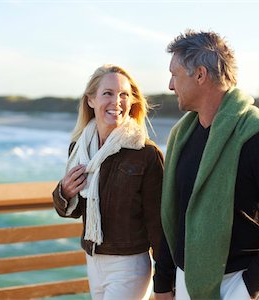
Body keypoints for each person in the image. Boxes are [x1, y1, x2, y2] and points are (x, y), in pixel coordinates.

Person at [154, 30, 259, 300]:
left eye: (174, 75)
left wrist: (249, 287)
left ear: (200, 75)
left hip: (240, 282)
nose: (170, 85)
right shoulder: (182, 135)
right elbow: (173, 214)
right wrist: (163, 282)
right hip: (186, 280)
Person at [52, 64, 165, 300]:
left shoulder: (145, 153)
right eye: (108, 93)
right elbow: (73, 211)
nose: (117, 101)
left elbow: (159, 224)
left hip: (129, 264)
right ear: (91, 100)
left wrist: (165, 281)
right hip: (93, 259)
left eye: (124, 94)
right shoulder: (80, 148)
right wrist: (64, 192)